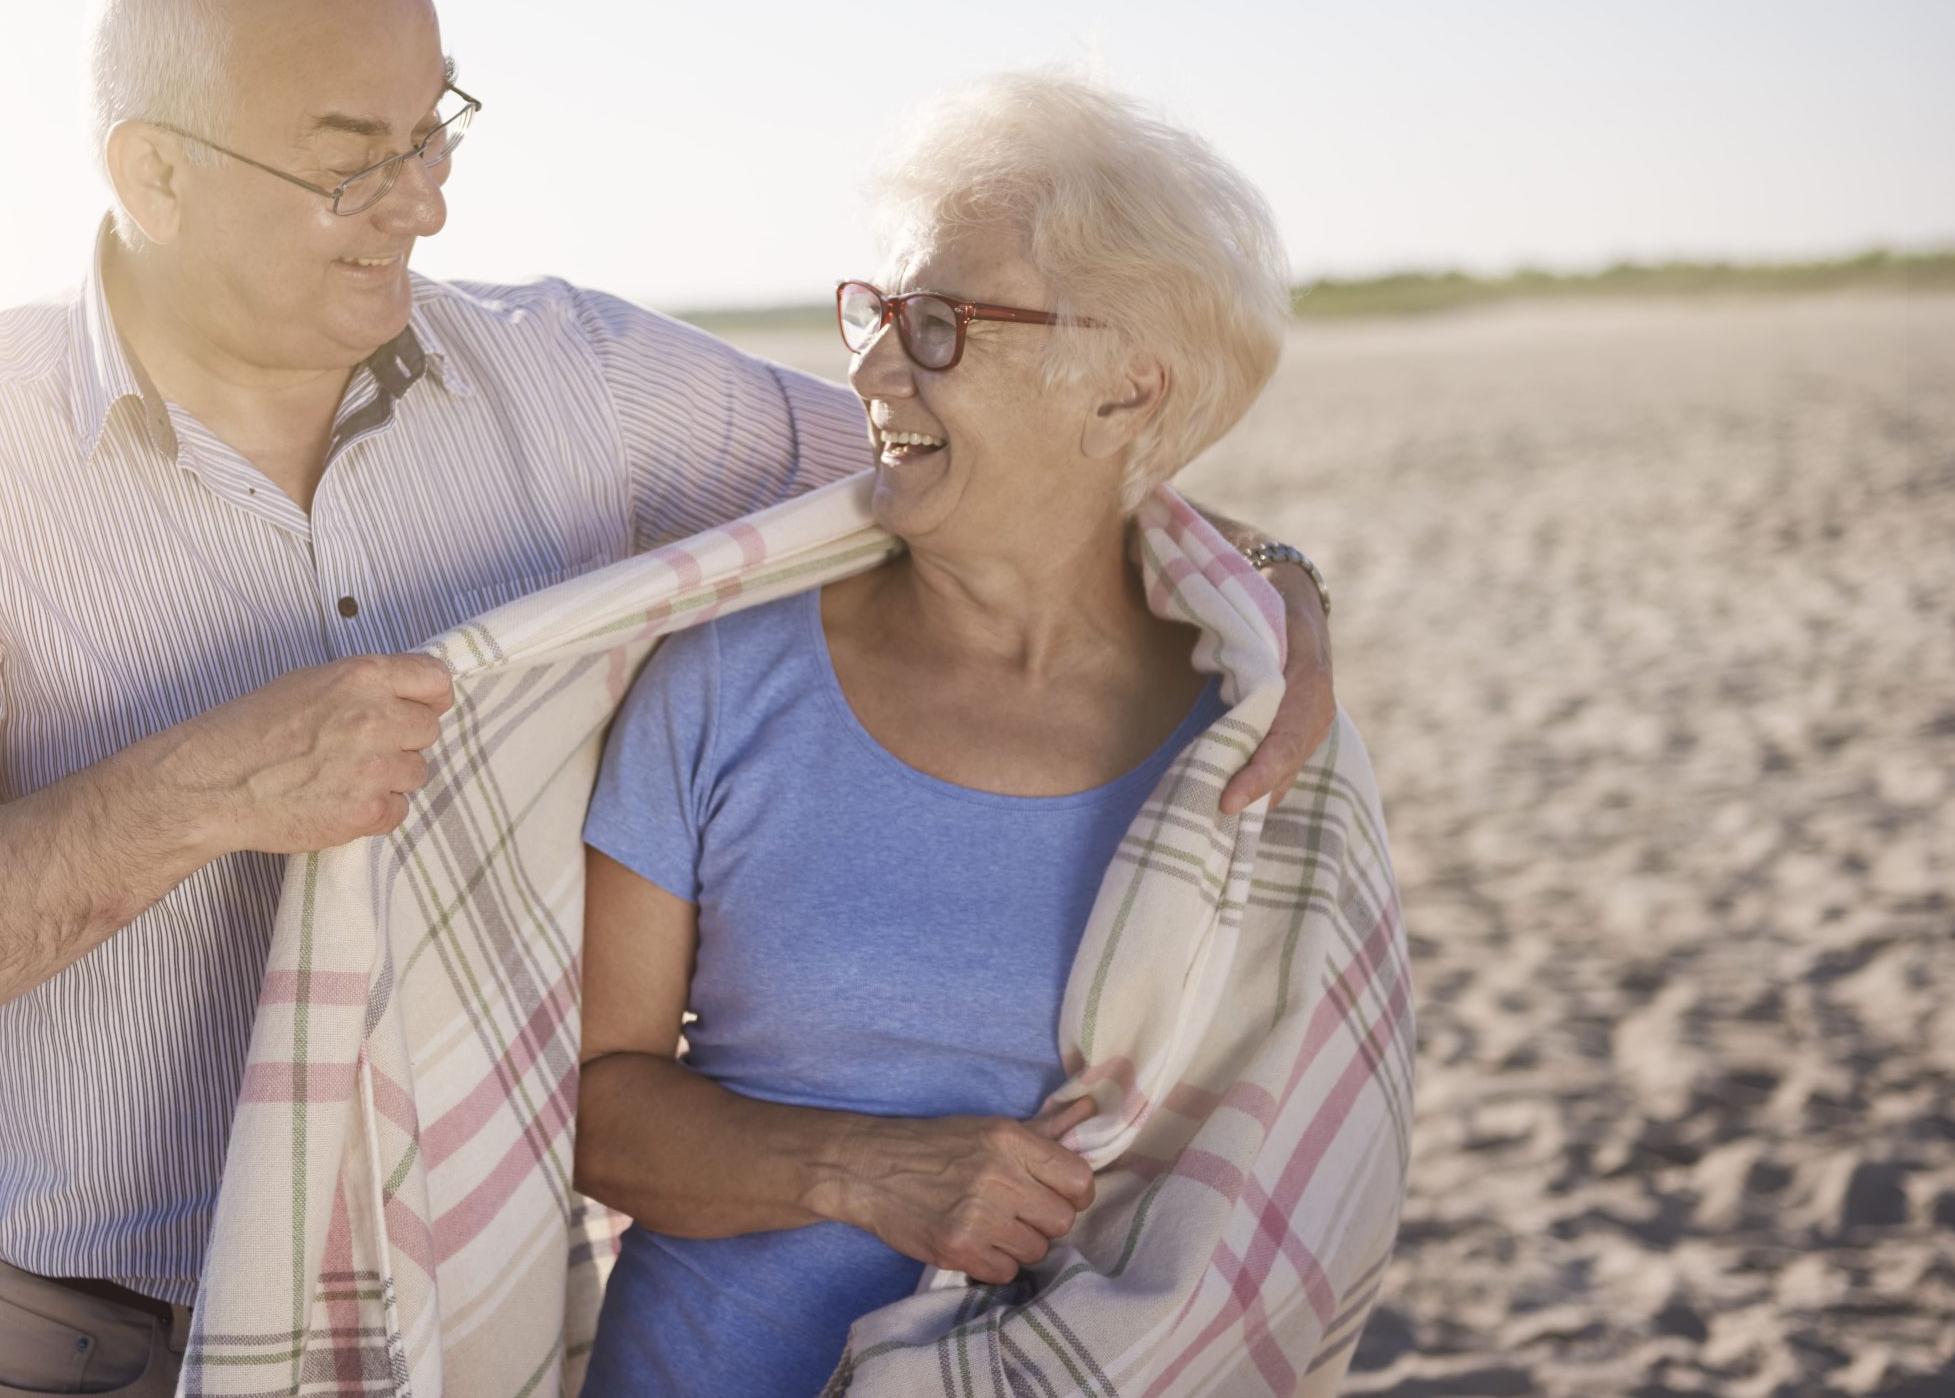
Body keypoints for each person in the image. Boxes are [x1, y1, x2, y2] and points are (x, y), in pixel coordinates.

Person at [0, 0, 1340, 1398]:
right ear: (154, 170)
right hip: (84, 1339)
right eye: (355, 155)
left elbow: (988, 470)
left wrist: (1266, 581)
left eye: (439, 132)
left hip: (466, 1304)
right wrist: (194, 796)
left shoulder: (580, 384)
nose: (421, 203)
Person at [574, 71, 1370, 1396]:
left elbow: (1289, 1183)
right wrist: (870, 1170)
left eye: (939, 323)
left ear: (1124, 386)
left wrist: (1286, 574)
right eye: (878, 311)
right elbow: (592, 1102)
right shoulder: (725, 674)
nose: (873, 365)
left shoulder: (1253, 738)